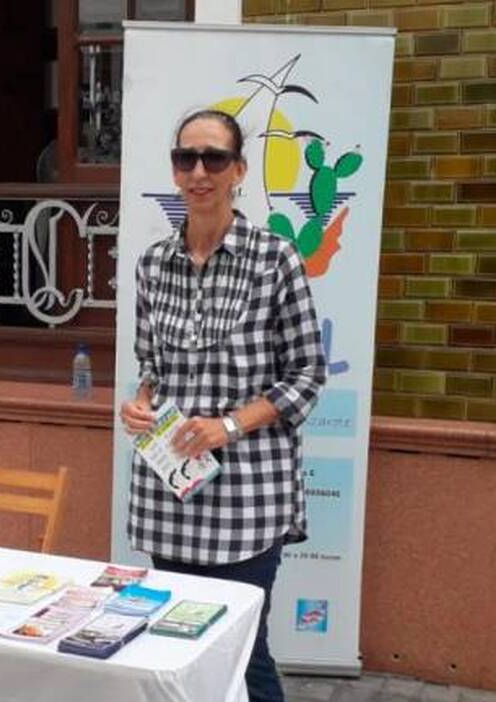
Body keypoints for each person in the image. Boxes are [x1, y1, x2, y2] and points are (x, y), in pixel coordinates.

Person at [119, 109, 327, 702]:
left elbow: (307, 374)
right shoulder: (152, 264)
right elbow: (151, 366)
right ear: (174, 170)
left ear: (238, 170)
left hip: (248, 499)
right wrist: (140, 406)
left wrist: (228, 426)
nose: (199, 171)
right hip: (172, 492)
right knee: (177, 645)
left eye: (213, 158)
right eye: (186, 158)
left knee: (242, 651)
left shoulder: (275, 258)